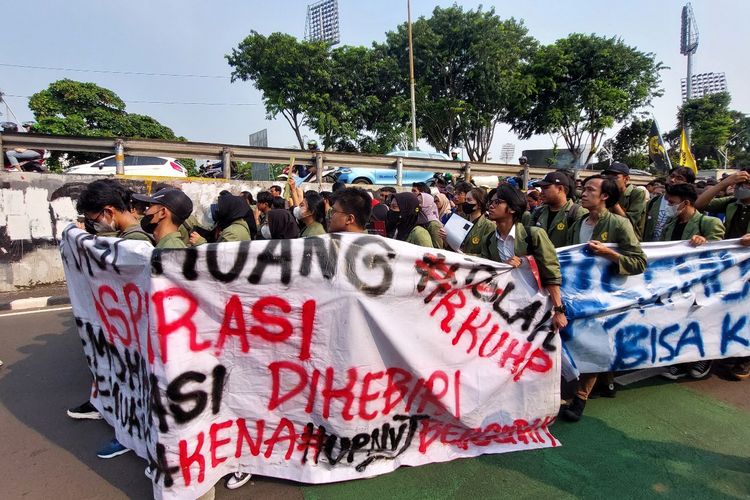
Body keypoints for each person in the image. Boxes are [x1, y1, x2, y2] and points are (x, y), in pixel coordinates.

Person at [68, 179, 156, 460]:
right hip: (130, 327)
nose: (93, 225)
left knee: (138, 383)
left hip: (136, 329)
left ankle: (134, 434)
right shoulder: (128, 238)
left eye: (94, 219)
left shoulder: (136, 243)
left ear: (108, 211)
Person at [560, 175, 647, 422]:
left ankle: (581, 397)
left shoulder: (619, 224)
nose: (583, 193)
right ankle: (605, 381)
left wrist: (607, 253)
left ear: (605, 196)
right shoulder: (578, 223)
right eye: (583, 189)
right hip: (576, 293)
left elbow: (639, 262)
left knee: (595, 342)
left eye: (590, 189)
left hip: (604, 296)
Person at [659, 183, 724, 381]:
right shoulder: (669, 226)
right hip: (676, 282)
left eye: (672, 202)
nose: (668, 205)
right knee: (680, 319)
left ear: (686, 203)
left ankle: (703, 358)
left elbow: (722, 254)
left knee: (703, 320)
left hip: (702, 283)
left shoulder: (708, 223)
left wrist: (706, 243)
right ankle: (679, 359)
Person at [480, 183, 568, 329]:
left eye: (497, 202)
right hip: (504, 309)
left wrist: (558, 310)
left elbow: (551, 273)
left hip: (536, 309)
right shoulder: (488, 240)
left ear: (513, 208)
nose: (491, 206)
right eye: (490, 202)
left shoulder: (534, 235)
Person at [694, 167, 750, 380]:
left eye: (744, 184)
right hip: (731, 264)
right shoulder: (730, 203)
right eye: (738, 184)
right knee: (727, 308)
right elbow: (700, 204)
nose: (740, 188)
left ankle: (745, 357)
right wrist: (725, 183)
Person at [75, 179, 154, 244]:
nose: (94, 225)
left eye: (94, 221)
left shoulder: (135, 239)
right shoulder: (135, 229)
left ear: (108, 212)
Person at [532, 172, 587, 248]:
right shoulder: (538, 213)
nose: (541, 193)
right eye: (541, 189)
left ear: (560, 189)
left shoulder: (577, 213)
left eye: (546, 188)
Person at [643, 167, 695, 242]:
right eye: (672, 176)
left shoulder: (690, 207)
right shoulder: (653, 202)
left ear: (688, 184)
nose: (672, 180)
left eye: (679, 178)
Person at [603, 162, 647, 239]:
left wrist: (614, 202)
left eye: (615, 177)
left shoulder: (636, 193)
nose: (611, 180)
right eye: (608, 177)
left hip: (628, 239)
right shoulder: (605, 194)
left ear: (626, 179)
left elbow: (629, 221)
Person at [455, 187, 495, 255]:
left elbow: (487, 255)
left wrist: (466, 255)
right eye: (465, 200)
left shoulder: (489, 226)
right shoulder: (462, 219)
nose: (465, 203)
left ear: (479, 204)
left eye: (469, 200)